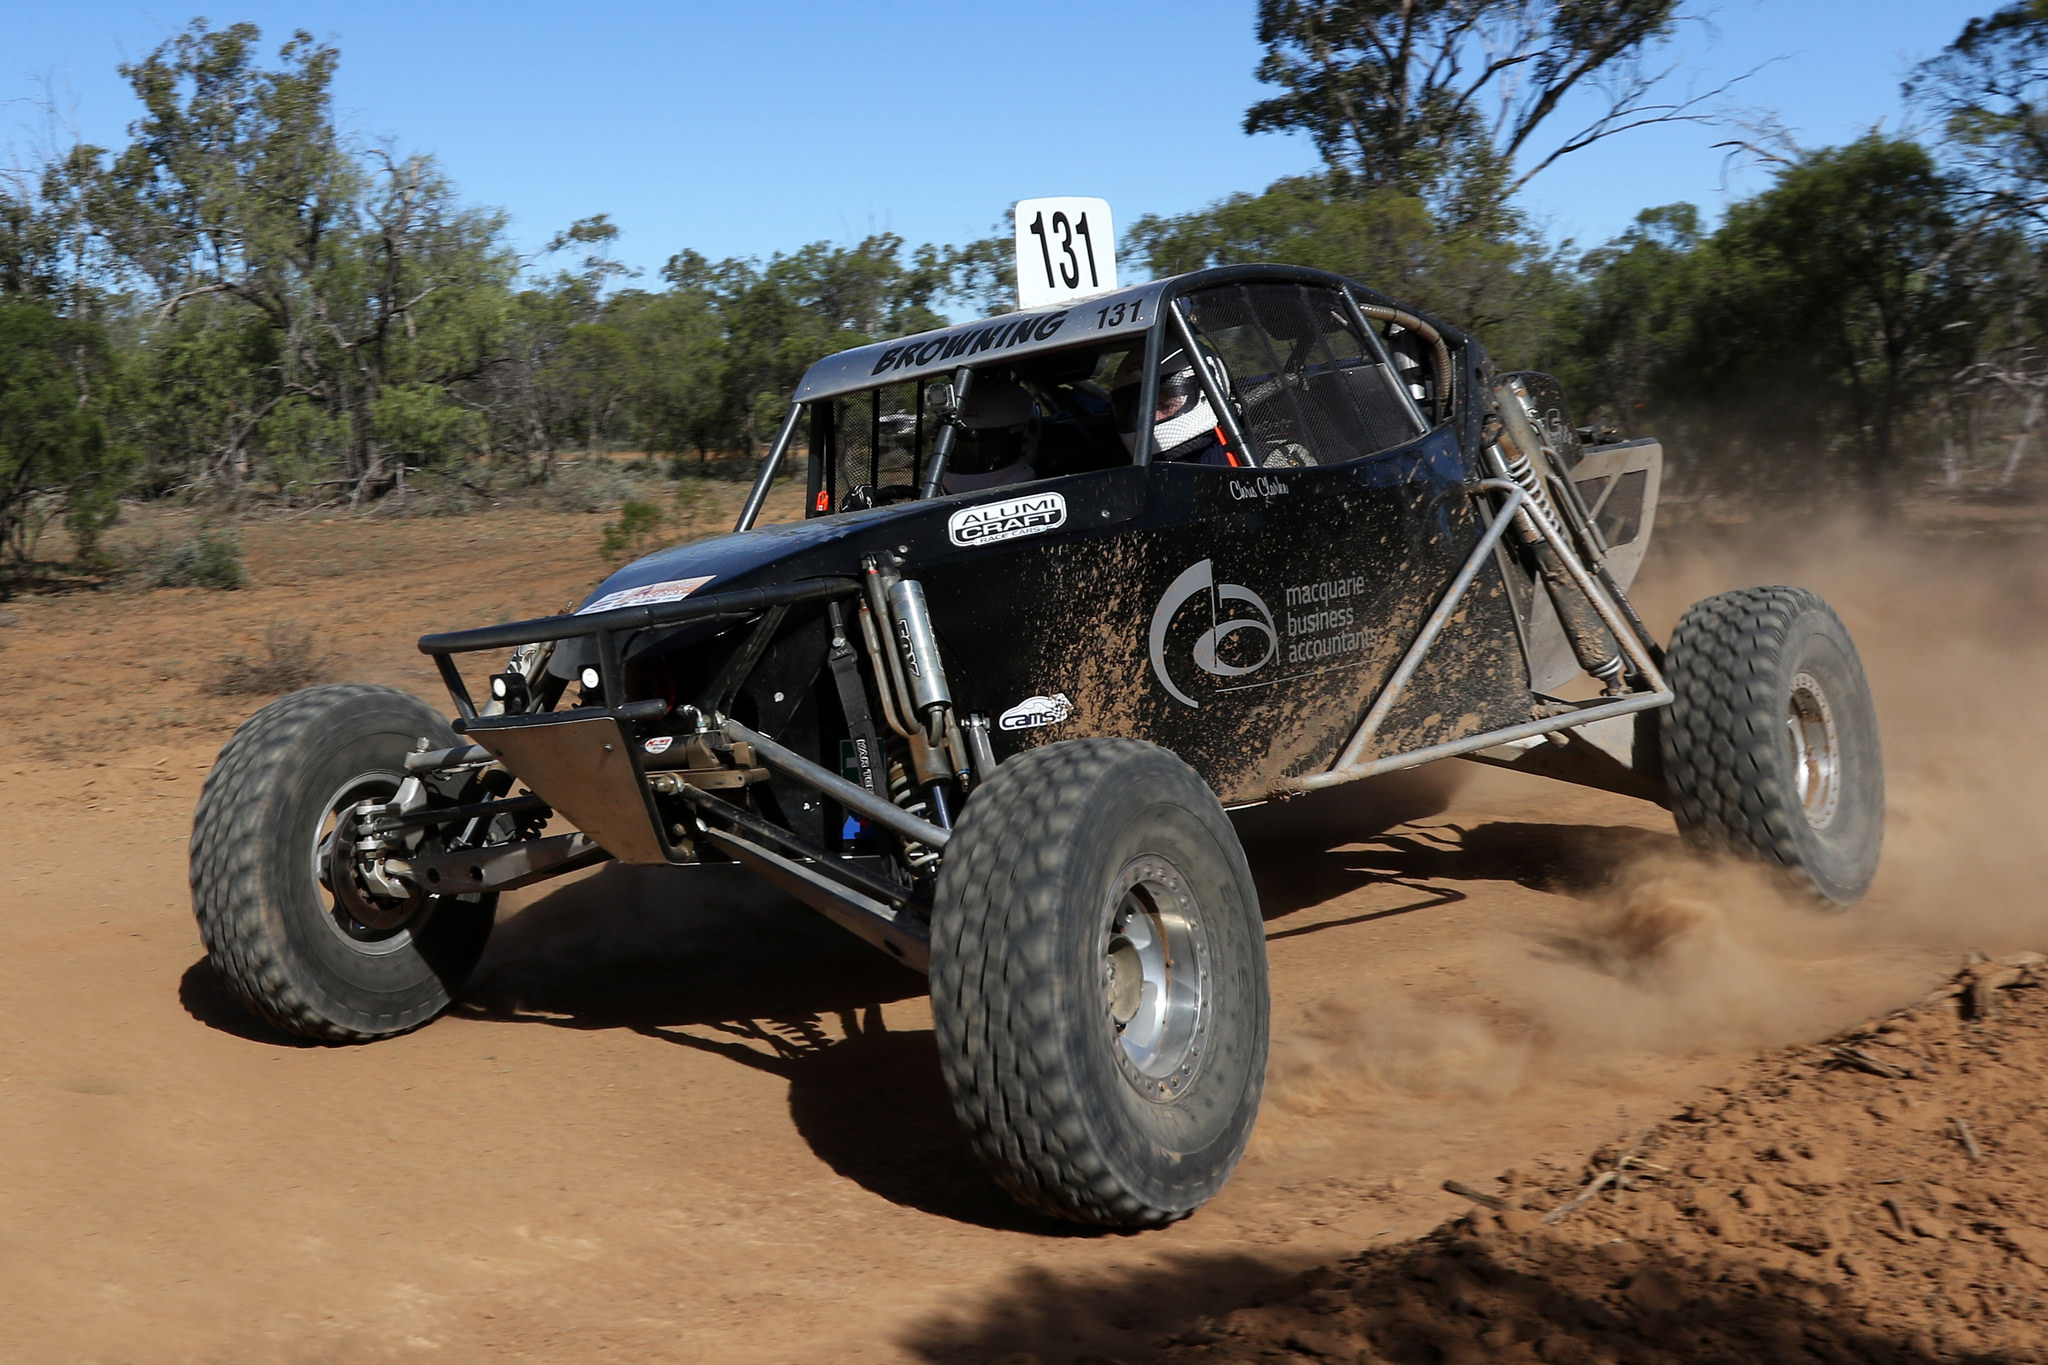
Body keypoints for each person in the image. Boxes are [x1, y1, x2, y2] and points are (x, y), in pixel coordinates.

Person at [1113, 345, 1250, 467]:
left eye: (1166, 406)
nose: (1153, 418)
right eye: (1141, 411)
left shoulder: (1237, 457)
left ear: (1205, 393)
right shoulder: (1127, 470)